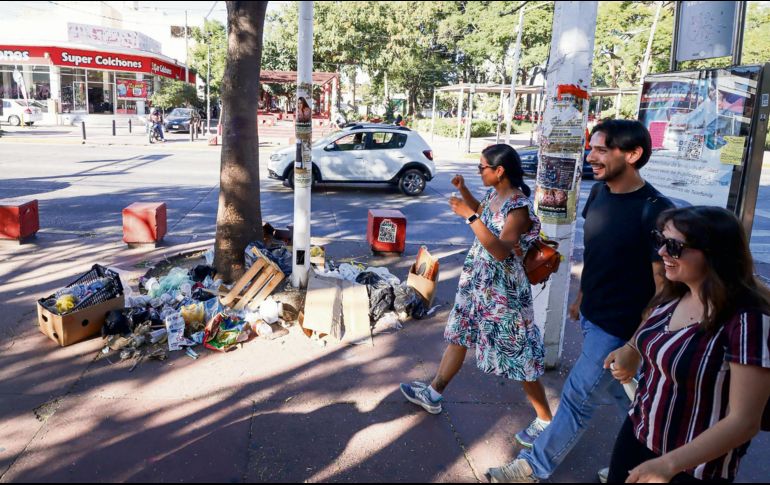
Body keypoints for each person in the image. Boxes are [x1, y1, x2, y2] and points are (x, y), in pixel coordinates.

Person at [486, 119, 675, 483]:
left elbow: (663, 287)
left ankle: (530, 469)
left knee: (576, 398)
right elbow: (598, 250)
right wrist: (581, 297)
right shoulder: (598, 193)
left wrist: (636, 343)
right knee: (629, 401)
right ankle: (643, 466)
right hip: (593, 315)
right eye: (592, 148)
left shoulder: (654, 210)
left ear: (633, 154)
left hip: (621, 328)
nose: (591, 157)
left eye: (602, 150)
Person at [399, 144, 554, 446]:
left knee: (519, 353)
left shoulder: (519, 207)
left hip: (503, 293)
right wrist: (466, 193)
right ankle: (433, 393)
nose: (478, 170)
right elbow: (484, 215)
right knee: (459, 335)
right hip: (477, 284)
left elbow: (499, 249)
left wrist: (469, 216)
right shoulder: (496, 195)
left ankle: (545, 419)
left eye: (482, 167)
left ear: (500, 171)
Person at [604, 206, 770, 483]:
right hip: (638, 434)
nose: (662, 252)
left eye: (674, 246)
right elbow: (653, 330)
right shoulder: (677, 291)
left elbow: (744, 421)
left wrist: (668, 465)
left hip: (694, 468)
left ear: (714, 254)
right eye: (660, 240)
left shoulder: (747, 321)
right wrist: (631, 348)